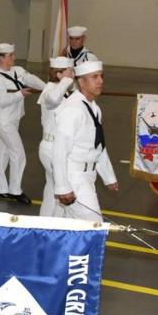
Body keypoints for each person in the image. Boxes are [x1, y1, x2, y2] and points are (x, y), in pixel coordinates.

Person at [52, 61, 118, 221]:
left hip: (88, 175)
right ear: (81, 82)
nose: (100, 81)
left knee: (71, 232)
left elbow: (98, 145)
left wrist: (108, 176)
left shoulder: (93, 107)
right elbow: (59, 151)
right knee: (93, 226)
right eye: (94, 77)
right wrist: (62, 187)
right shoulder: (72, 109)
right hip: (74, 177)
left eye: (101, 76)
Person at [0, 43, 46, 205]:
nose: (14, 57)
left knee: (3, 153)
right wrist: (20, 94)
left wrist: (47, 89)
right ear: (1, 58)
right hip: (3, 121)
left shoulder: (17, 70)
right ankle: (15, 190)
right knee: (18, 154)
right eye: (10, 55)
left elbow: (30, 79)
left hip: (14, 119)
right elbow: (2, 101)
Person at [37, 57, 76, 216]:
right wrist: (66, 81)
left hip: (53, 147)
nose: (73, 74)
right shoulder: (50, 91)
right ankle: (57, 229)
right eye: (70, 71)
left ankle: (43, 225)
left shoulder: (61, 91)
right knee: (63, 190)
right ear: (60, 75)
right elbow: (53, 99)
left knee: (52, 189)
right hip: (52, 148)